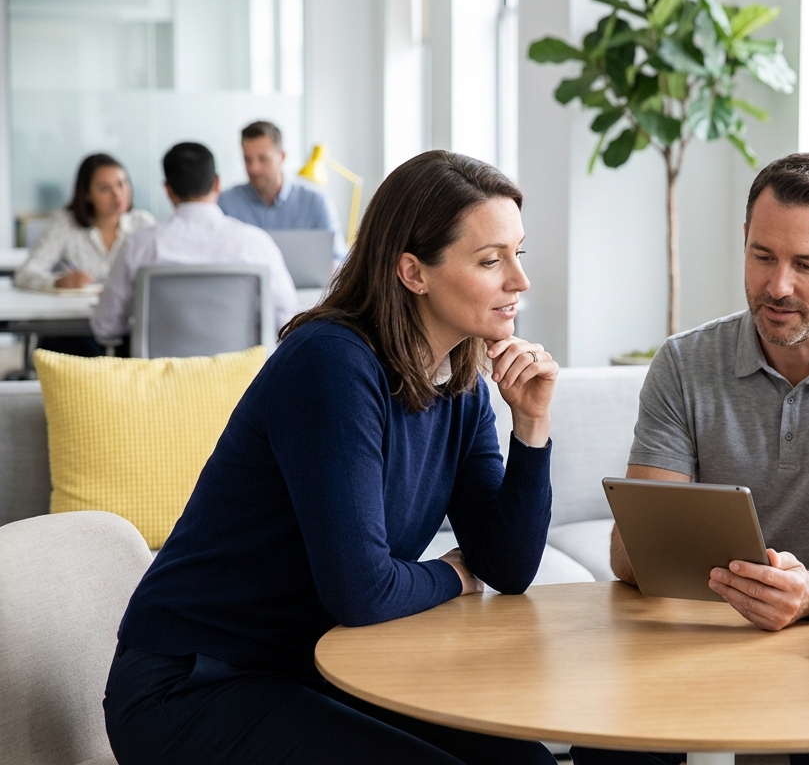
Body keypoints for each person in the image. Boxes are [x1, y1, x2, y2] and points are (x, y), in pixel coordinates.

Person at [103, 150, 561, 765]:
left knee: (521, 761)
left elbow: (506, 567)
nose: (519, 281)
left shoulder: (463, 384)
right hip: (195, 681)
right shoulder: (333, 365)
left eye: (518, 253)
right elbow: (362, 592)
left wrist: (531, 422)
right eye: (490, 260)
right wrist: (455, 573)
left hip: (316, 668)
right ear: (413, 272)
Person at [573, 153, 809, 765]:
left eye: (806, 265)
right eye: (762, 256)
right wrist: (733, 585)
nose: (778, 286)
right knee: (611, 749)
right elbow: (630, 552)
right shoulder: (684, 363)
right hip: (697, 634)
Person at [91, 142, 298, 347]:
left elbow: (106, 327)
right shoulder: (256, 244)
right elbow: (286, 322)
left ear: (168, 190)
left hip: (164, 378)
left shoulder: (139, 245)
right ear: (217, 183)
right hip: (245, 377)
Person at [16, 153, 155, 356]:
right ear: (87, 193)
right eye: (105, 188)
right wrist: (57, 282)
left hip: (127, 327)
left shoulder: (142, 223)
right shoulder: (65, 223)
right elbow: (25, 273)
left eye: (122, 184)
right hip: (76, 328)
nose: (118, 195)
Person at [218, 120, 349, 264]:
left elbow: (338, 259)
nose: (253, 168)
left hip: (304, 286)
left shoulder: (315, 201)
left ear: (282, 157)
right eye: (247, 160)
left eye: (263, 159)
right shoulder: (225, 202)